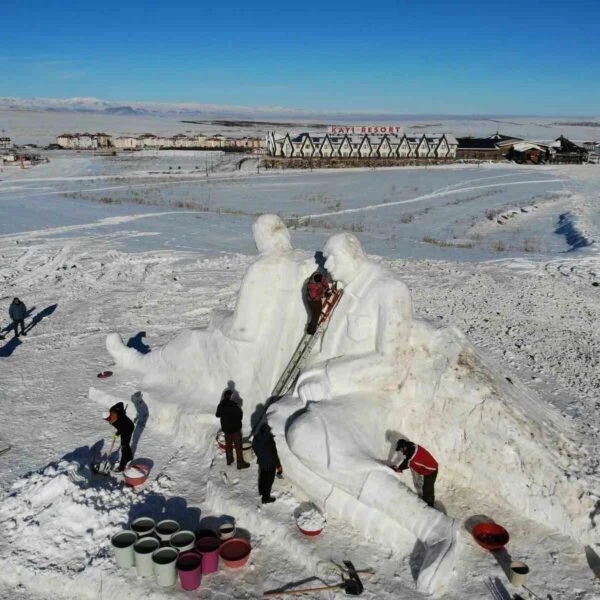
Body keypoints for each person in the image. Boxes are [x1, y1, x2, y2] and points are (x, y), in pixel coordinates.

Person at [392, 439, 438, 508]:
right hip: (429, 468)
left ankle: (429, 506)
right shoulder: (412, 447)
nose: (401, 452)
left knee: (427, 489)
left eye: (401, 450)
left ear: (404, 447)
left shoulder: (412, 452)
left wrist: (399, 469)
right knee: (428, 488)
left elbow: (407, 462)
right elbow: (408, 460)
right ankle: (429, 501)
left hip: (431, 469)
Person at [216, 389, 250, 469]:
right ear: (231, 397)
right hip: (235, 429)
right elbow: (240, 416)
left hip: (226, 429)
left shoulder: (221, 404)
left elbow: (217, 415)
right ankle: (240, 463)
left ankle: (229, 460)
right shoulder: (234, 406)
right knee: (238, 447)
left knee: (228, 445)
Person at [251, 422, 282, 504]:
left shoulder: (256, 438)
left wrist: (259, 455)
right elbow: (274, 455)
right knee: (269, 481)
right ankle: (266, 498)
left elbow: (253, 447)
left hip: (261, 461)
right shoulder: (270, 442)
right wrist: (279, 466)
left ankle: (261, 491)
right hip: (270, 464)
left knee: (262, 476)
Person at [105, 402, 135, 472]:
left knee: (124, 446)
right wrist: (121, 411)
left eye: (108, 419)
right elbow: (120, 403)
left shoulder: (116, 421)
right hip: (127, 425)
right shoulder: (112, 410)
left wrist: (118, 433)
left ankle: (122, 466)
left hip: (128, 429)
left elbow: (122, 429)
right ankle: (129, 456)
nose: (108, 421)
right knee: (126, 443)